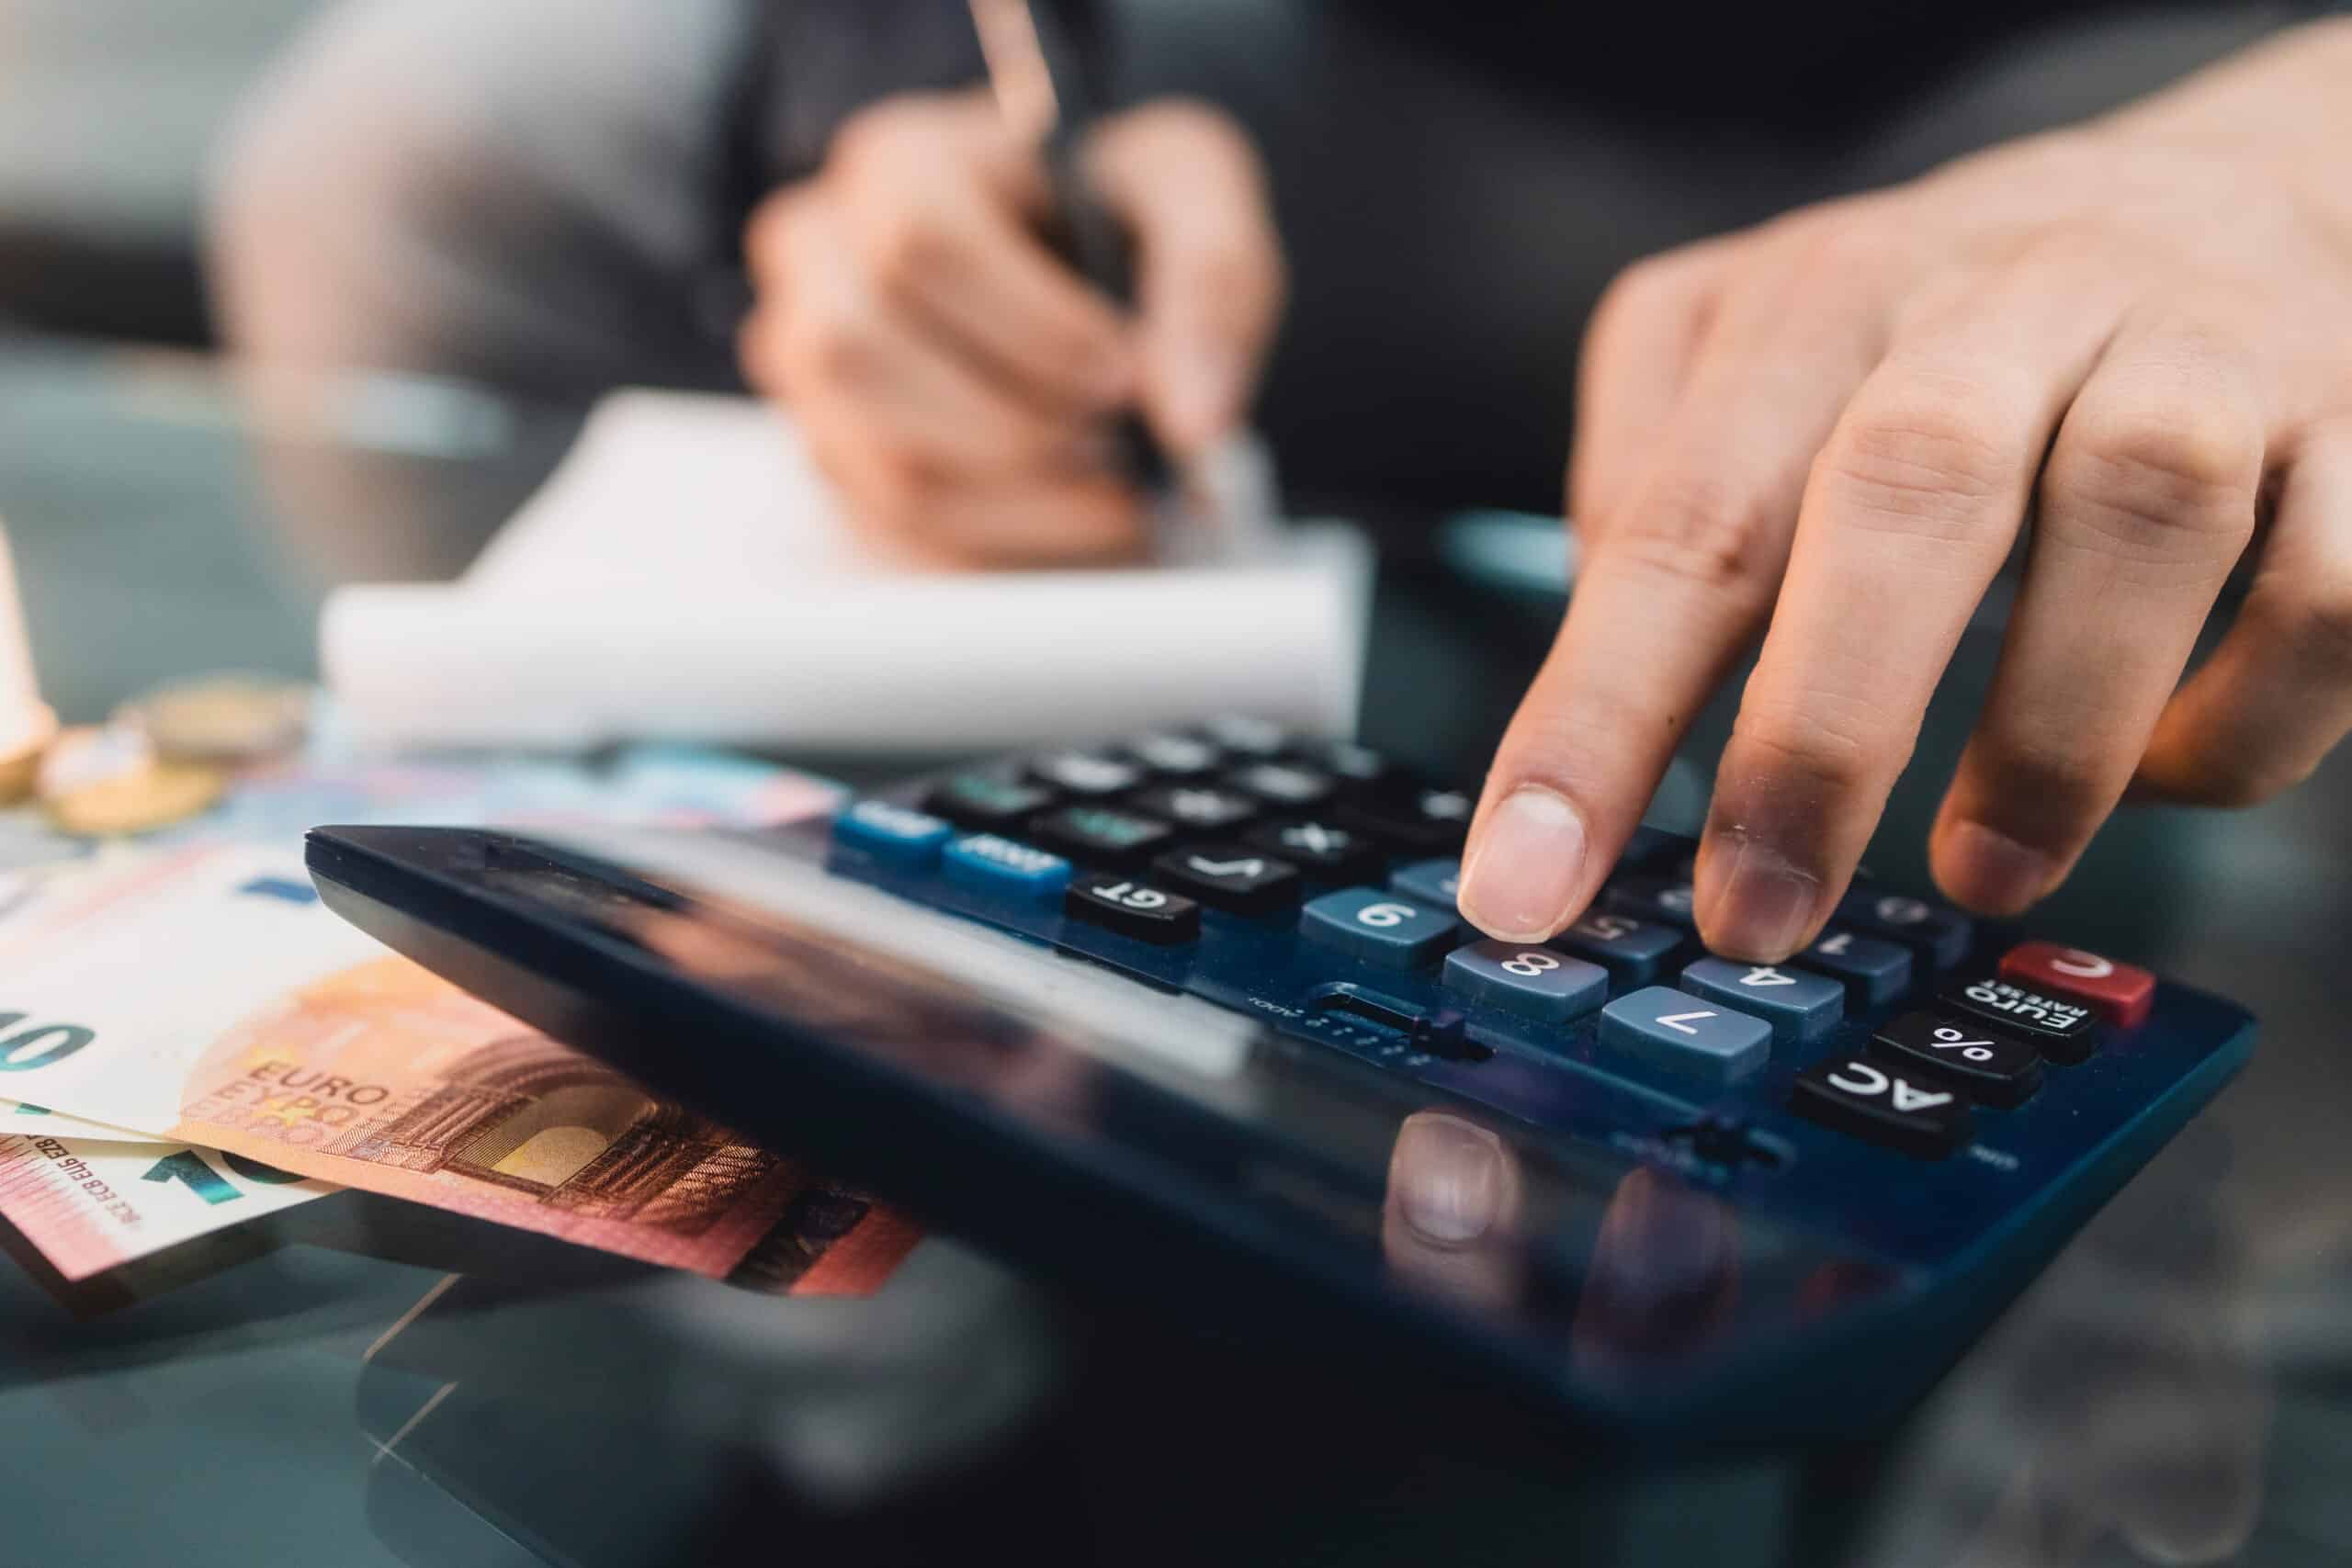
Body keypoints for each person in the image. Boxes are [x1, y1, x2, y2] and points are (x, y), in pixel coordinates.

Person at [212, 0, 2352, 961]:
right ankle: (836, 1360)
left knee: (2158, 495)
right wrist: (935, 101)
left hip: (2156, 80)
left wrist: (2287, 172)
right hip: (1376, 66)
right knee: (441, 127)